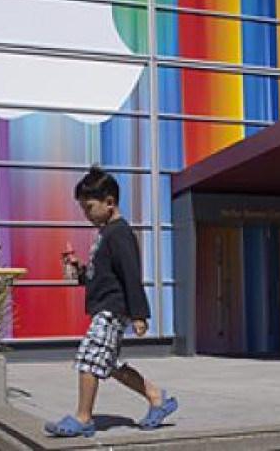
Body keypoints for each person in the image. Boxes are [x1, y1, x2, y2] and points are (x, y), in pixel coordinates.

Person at [44, 166, 178, 438]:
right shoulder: (105, 233)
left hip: (111, 309)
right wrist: (80, 271)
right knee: (110, 364)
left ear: (109, 202)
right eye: (83, 209)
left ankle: (83, 418)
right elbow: (100, 275)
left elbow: (131, 273)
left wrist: (139, 314)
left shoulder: (119, 233)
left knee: (88, 358)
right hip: (105, 307)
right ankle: (157, 398)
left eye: (89, 207)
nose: (86, 214)